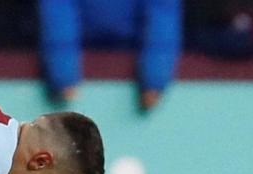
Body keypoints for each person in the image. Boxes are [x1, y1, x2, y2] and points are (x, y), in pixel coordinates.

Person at [36, 0, 182, 111]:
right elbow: (58, 12)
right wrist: (63, 73)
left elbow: (162, 18)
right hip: (79, 53)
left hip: (132, 52)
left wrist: (155, 78)